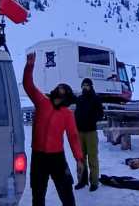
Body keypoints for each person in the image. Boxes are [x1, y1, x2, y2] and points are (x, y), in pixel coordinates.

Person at [23, 52, 85, 206]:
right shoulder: (42, 101)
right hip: (38, 157)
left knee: (66, 193)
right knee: (38, 193)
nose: (60, 88)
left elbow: (73, 137)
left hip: (57, 157)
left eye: (63, 88)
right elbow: (28, 85)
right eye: (59, 87)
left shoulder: (67, 114)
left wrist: (79, 158)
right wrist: (29, 66)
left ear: (67, 97)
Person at [73, 78, 104, 191]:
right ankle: (82, 180)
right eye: (83, 85)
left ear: (91, 86)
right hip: (79, 132)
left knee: (92, 157)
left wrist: (91, 119)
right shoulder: (79, 99)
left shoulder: (96, 99)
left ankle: (94, 182)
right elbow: (76, 113)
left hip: (90, 132)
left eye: (87, 85)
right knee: (80, 158)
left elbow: (100, 114)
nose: (85, 87)